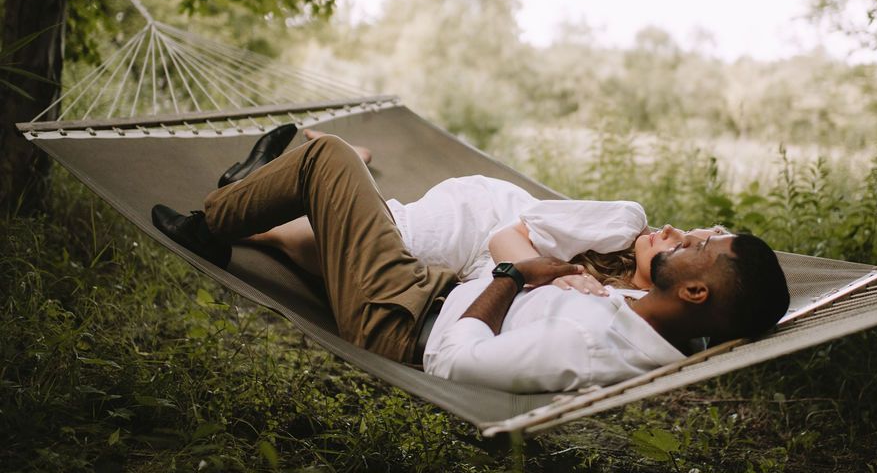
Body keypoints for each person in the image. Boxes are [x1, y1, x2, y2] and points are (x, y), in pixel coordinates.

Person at [152, 135, 790, 394]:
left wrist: (514, 276)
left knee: (329, 158)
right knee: (329, 209)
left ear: (699, 290)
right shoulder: (660, 322)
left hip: (403, 322)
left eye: (700, 250)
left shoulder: (595, 345)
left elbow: (451, 361)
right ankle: (253, 196)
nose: (686, 238)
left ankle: (215, 219)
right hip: (433, 289)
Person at [246, 128, 729, 294]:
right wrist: (553, 275)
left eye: (684, 243)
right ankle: (252, 212)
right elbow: (512, 233)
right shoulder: (627, 222)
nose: (668, 229)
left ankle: (353, 163)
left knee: (367, 266)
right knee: (371, 244)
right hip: (483, 221)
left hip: (478, 274)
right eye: (683, 232)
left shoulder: (643, 307)